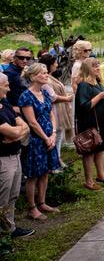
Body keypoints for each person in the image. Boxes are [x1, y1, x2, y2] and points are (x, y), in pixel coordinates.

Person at [18, 63, 61, 221]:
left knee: (45, 172)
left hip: (50, 137)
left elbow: (51, 114)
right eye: (43, 73)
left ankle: (42, 202)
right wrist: (45, 138)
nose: (46, 75)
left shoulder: (45, 93)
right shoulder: (26, 96)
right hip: (36, 140)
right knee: (34, 175)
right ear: (33, 76)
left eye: (46, 72)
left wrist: (54, 134)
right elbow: (33, 122)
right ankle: (32, 207)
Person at [0, 72, 34, 237]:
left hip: (15, 155)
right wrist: (17, 132)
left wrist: (16, 134)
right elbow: (12, 131)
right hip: (3, 160)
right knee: (2, 197)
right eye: (5, 85)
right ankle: (2, 233)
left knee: (13, 195)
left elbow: (23, 126)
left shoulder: (4, 104)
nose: (8, 88)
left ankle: (10, 228)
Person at [75, 58, 104, 190]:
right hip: (90, 123)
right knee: (90, 151)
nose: (98, 68)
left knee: (101, 148)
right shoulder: (84, 85)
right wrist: (99, 97)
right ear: (88, 69)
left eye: (98, 66)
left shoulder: (97, 82)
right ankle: (88, 181)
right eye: (95, 67)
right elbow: (84, 106)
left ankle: (101, 175)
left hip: (101, 122)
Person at [39, 55, 73, 168]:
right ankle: (55, 161)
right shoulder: (45, 80)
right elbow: (52, 96)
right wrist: (67, 98)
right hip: (54, 109)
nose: (57, 65)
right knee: (57, 134)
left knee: (59, 134)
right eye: (55, 63)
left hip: (59, 108)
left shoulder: (50, 77)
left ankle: (57, 158)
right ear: (50, 64)